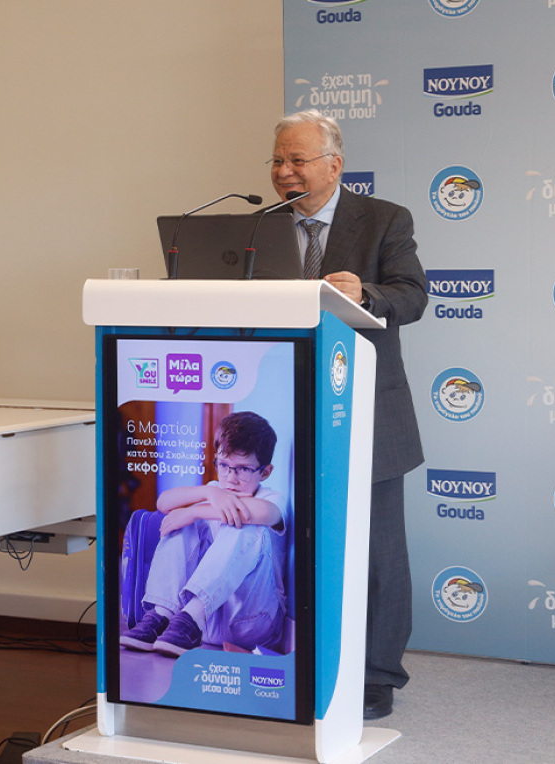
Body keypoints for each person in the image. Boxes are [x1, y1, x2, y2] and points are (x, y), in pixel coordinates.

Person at [269, 109, 427, 720]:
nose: (285, 172)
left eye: (297, 160)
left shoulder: (385, 219)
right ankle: (300, 660)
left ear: (334, 165)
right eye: (277, 160)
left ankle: (377, 676)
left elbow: (413, 295)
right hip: (283, 404)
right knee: (295, 541)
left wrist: (367, 293)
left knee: (378, 552)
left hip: (366, 409)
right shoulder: (260, 227)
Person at [121, 411, 288, 657]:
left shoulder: (270, 497)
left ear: (265, 472)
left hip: (254, 621)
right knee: (181, 520)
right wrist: (208, 494)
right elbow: (163, 502)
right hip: (205, 626)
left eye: (243, 469)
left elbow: (264, 513)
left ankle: (193, 613)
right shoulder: (216, 490)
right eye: (224, 465)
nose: (231, 478)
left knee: (242, 519)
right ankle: (162, 614)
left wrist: (194, 511)